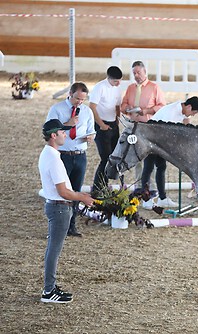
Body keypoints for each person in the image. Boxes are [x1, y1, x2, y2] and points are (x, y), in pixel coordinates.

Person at [39, 119, 94, 303]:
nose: (65, 134)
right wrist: (83, 197)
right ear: (54, 135)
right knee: (54, 249)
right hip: (60, 208)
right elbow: (63, 191)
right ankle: (48, 291)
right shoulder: (53, 158)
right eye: (63, 132)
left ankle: (50, 287)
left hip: (57, 206)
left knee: (52, 248)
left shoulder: (48, 154)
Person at [46, 82, 95, 237]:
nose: (79, 102)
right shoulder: (57, 109)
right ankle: (57, 225)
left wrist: (90, 137)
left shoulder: (87, 112)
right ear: (70, 94)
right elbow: (49, 131)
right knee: (61, 191)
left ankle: (71, 225)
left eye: (83, 99)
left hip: (80, 154)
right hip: (63, 155)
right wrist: (68, 124)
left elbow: (92, 130)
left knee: (76, 190)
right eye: (77, 99)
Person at [140, 96, 198, 209]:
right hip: (150, 138)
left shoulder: (182, 113)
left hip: (160, 142)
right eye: (193, 112)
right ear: (189, 107)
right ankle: (146, 199)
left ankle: (162, 198)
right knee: (148, 168)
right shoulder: (172, 111)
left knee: (161, 167)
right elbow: (165, 132)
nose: (193, 115)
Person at [120, 60, 166, 189]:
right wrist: (127, 107)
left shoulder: (154, 87)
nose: (136, 75)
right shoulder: (130, 88)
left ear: (145, 72)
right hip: (133, 127)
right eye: (134, 73)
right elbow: (122, 106)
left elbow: (162, 106)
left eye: (138, 72)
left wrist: (145, 111)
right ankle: (139, 188)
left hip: (148, 128)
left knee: (149, 160)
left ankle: (150, 190)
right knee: (136, 159)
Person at [89, 66, 123, 193]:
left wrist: (118, 120)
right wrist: (101, 124)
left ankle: (106, 184)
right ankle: (98, 187)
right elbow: (92, 107)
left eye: (119, 80)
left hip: (113, 123)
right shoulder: (100, 87)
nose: (118, 83)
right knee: (105, 158)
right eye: (115, 81)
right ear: (109, 78)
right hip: (101, 124)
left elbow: (117, 105)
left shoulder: (118, 88)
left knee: (114, 156)